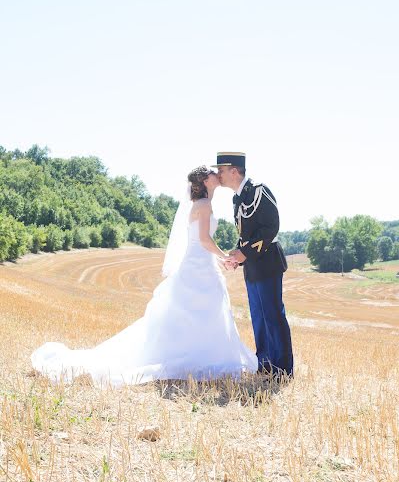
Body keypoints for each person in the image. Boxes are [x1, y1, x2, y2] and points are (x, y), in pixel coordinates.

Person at [30, 165, 257, 387]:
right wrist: (225, 256)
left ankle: (196, 356)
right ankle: (202, 357)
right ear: (205, 181)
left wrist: (218, 259)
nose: (217, 173)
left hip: (198, 262)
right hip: (199, 265)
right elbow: (205, 241)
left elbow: (199, 242)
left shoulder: (199, 203)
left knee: (194, 311)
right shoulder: (205, 204)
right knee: (205, 309)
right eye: (212, 172)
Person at [213, 152, 294, 379]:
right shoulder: (237, 198)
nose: (218, 174)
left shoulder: (259, 190)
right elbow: (246, 234)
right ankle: (265, 364)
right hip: (252, 265)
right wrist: (237, 255)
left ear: (234, 171)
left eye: (221, 170)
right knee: (258, 317)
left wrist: (245, 253)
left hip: (267, 262)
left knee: (273, 315)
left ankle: (283, 370)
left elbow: (271, 227)